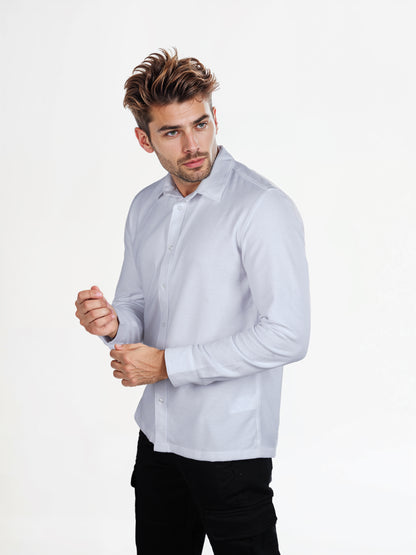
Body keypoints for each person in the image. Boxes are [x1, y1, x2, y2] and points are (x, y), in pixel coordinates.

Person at [75, 48, 310, 555]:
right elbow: (137, 308)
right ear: (144, 139)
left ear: (214, 117)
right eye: (171, 132)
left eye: (200, 124)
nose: (193, 145)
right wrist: (112, 324)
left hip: (228, 448)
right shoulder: (146, 206)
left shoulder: (261, 207)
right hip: (157, 438)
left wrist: (166, 365)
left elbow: (288, 334)